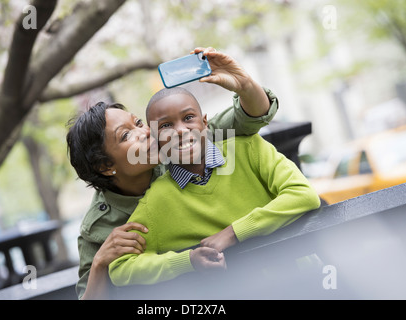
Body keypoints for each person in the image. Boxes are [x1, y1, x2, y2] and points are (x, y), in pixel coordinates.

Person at [67, 47, 279, 299]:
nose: (145, 132)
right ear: (105, 166)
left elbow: (249, 117)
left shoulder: (178, 147)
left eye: (137, 123)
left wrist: (244, 85)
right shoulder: (99, 228)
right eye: (126, 136)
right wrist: (101, 263)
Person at [107, 86, 321, 287]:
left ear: (205, 123)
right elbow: (121, 268)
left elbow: (303, 195)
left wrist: (233, 233)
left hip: (307, 282)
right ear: (155, 140)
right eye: (166, 126)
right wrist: (187, 260)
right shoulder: (157, 201)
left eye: (188, 118)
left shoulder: (249, 148)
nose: (180, 130)